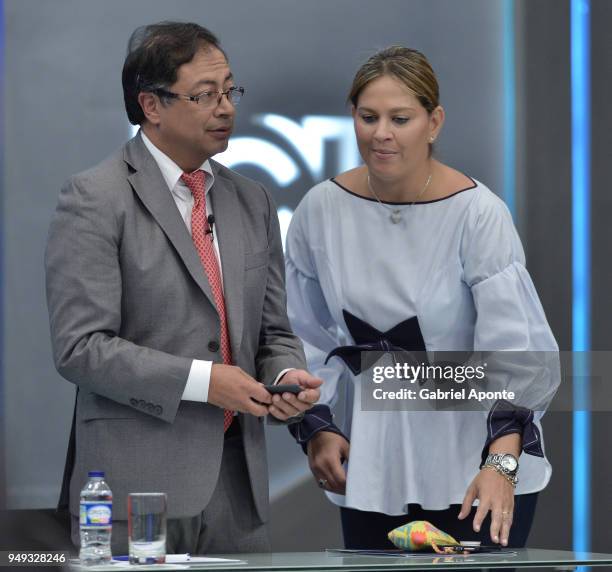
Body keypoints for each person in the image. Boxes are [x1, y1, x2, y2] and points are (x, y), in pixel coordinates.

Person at [45, 21, 321, 555]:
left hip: (239, 496)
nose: (225, 108)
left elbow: (273, 329)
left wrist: (286, 375)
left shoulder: (252, 200)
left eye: (229, 91)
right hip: (136, 492)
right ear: (151, 105)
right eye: (204, 95)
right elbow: (80, 348)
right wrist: (204, 382)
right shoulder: (95, 198)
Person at [285, 46, 559, 550]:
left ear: (434, 122)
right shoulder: (320, 209)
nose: (381, 133)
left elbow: (518, 351)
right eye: (368, 117)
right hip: (373, 464)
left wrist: (501, 463)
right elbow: (301, 331)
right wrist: (317, 425)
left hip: (475, 461)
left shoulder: (478, 213)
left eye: (400, 118)